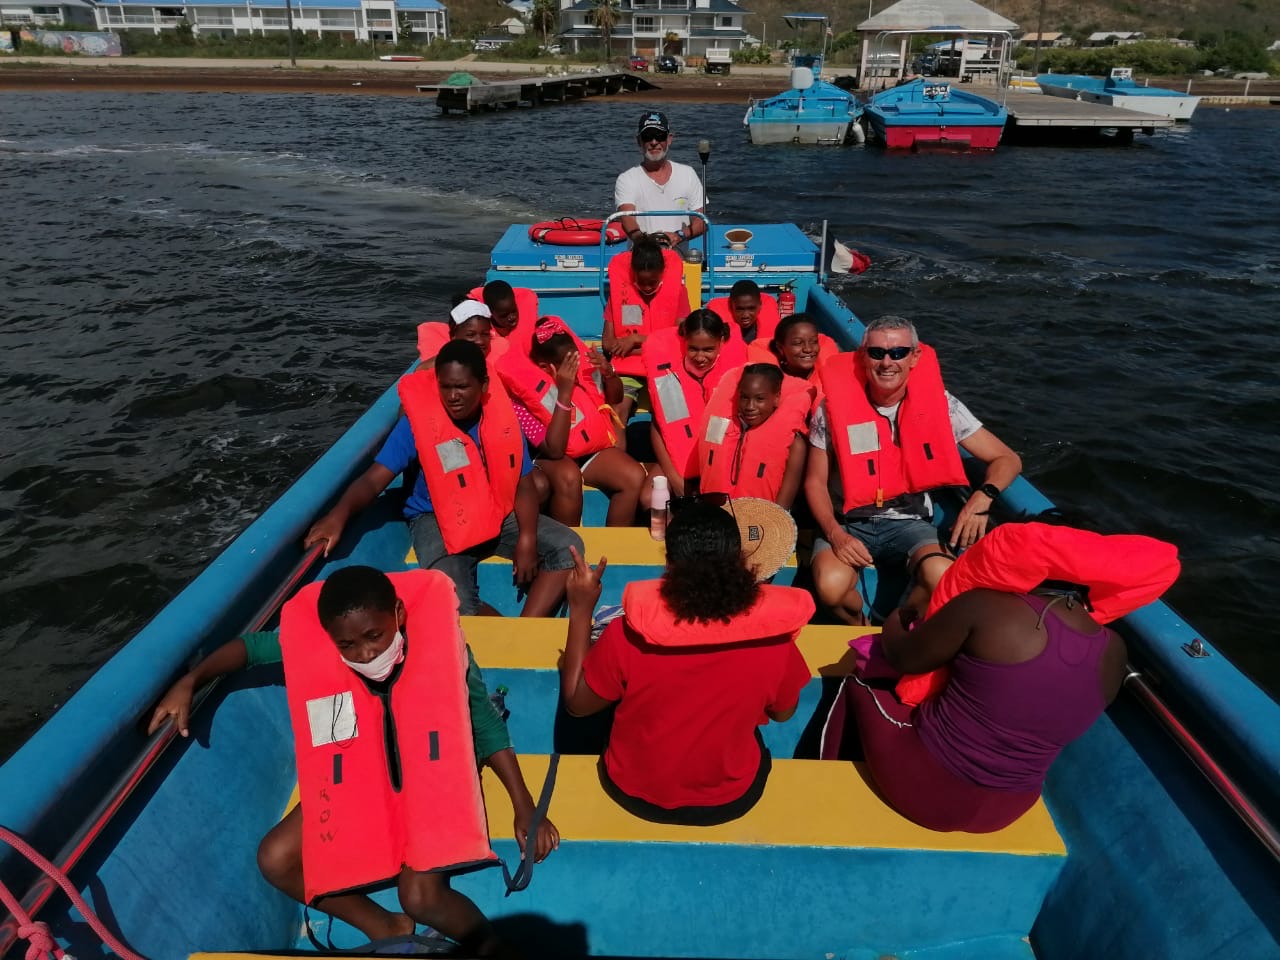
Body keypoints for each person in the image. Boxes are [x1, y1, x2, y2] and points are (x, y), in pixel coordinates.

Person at [148, 565, 558, 954]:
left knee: (419, 896)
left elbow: (486, 725)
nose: (364, 653)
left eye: (374, 636)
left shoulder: (444, 648)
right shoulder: (321, 651)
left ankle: (492, 948)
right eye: (348, 645)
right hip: (362, 779)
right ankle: (385, 926)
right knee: (275, 858)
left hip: (433, 776)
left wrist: (524, 805)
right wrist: (191, 680)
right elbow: (250, 649)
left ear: (398, 614)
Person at [558, 500, 814, 825]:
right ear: (740, 560)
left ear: (669, 563)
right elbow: (783, 713)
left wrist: (581, 609)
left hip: (634, 791)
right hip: (729, 799)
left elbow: (576, 704)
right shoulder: (774, 638)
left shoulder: (628, 634)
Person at [305, 340, 583, 617]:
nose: (453, 396)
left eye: (462, 387)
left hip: (494, 509)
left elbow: (523, 483)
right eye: (446, 387)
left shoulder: (502, 419)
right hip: (435, 519)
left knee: (569, 548)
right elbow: (373, 481)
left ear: (484, 385)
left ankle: (526, 626)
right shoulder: (417, 424)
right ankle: (500, 630)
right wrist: (338, 515)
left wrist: (527, 539)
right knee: (452, 600)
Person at [805, 316, 1021, 624]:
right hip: (847, 522)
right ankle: (861, 627)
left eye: (898, 353)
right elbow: (815, 482)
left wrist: (981, 499)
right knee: (830, 587)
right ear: (863, 356)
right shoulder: (831, 408)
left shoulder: (941, 405)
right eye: (877, 353)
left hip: (909, 523)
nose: (887, 362)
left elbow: (1007, 458)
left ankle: (898, 630)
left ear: (915, 357)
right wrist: (834, 534)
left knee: (942, 575)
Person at [497, 315, 648, 527]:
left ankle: (614, 542)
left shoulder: (583, 370)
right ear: (546, 367)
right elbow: (555, 450)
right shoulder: (522, 396)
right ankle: (567, 546)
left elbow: (615, 399)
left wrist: (609, 374)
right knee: (569, 478)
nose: (577, 368)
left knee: (634, 476)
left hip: (589, 449)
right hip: (547, 455)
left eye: (577, 360)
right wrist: (564, 393)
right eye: (570, 364)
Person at [644, 308, 746, 497]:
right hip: (679, 457)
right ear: (684, 342)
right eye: (693, 349)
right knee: (649, 499)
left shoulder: (736, 374)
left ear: (721, 342)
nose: (700, 357)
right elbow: (658, 426)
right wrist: (674, 478)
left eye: (708, 349)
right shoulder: (668, 376)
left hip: (720, 459)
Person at [697, 363, 812, 509]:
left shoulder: (795, 446)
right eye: (744, 397)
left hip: (760, 519)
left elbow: (781, 509)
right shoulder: (720, 426)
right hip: (714, 515)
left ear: (776, 398)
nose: (750, 407)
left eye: (760, 399)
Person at [601, 236, 688, 409]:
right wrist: (656, 345)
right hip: (627, 369)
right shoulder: (619, 294)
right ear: (633, 274)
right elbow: (608, 343)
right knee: (618, 411)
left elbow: (681, 339)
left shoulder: (679, 293)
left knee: (671, 413)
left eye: (652, 282)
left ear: (662, 273)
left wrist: (635, 340)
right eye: (642, 282)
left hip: (666, 367)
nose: (647, 287)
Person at [615, 110, 706, 251]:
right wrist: (647, 243)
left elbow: (701, 221)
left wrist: (678, 236)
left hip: (678, 259)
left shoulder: (688, 174)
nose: (654, 142)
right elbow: (627, 219)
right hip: (641, 258)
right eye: (647, 136)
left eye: (659, 136)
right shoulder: (626, 179)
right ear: (639, 141)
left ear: (669, 139)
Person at [748, 312, 840, 390]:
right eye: (798, 343)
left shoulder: (831, 379)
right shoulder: (769, 383)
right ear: (780, 348)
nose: (808, 349)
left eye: (814, 341)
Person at [707, 280, 781, 347]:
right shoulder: (717, 331)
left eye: (751, 308)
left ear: (760, 305)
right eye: (739, 309)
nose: (745, 315)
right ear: (731, 306)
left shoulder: (780, 331)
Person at [418, 298, 496, 363]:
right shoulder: (439, 366)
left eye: (485, 334)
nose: (480, 341)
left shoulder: (499, 357)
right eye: (470, 335)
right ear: (453, 336)